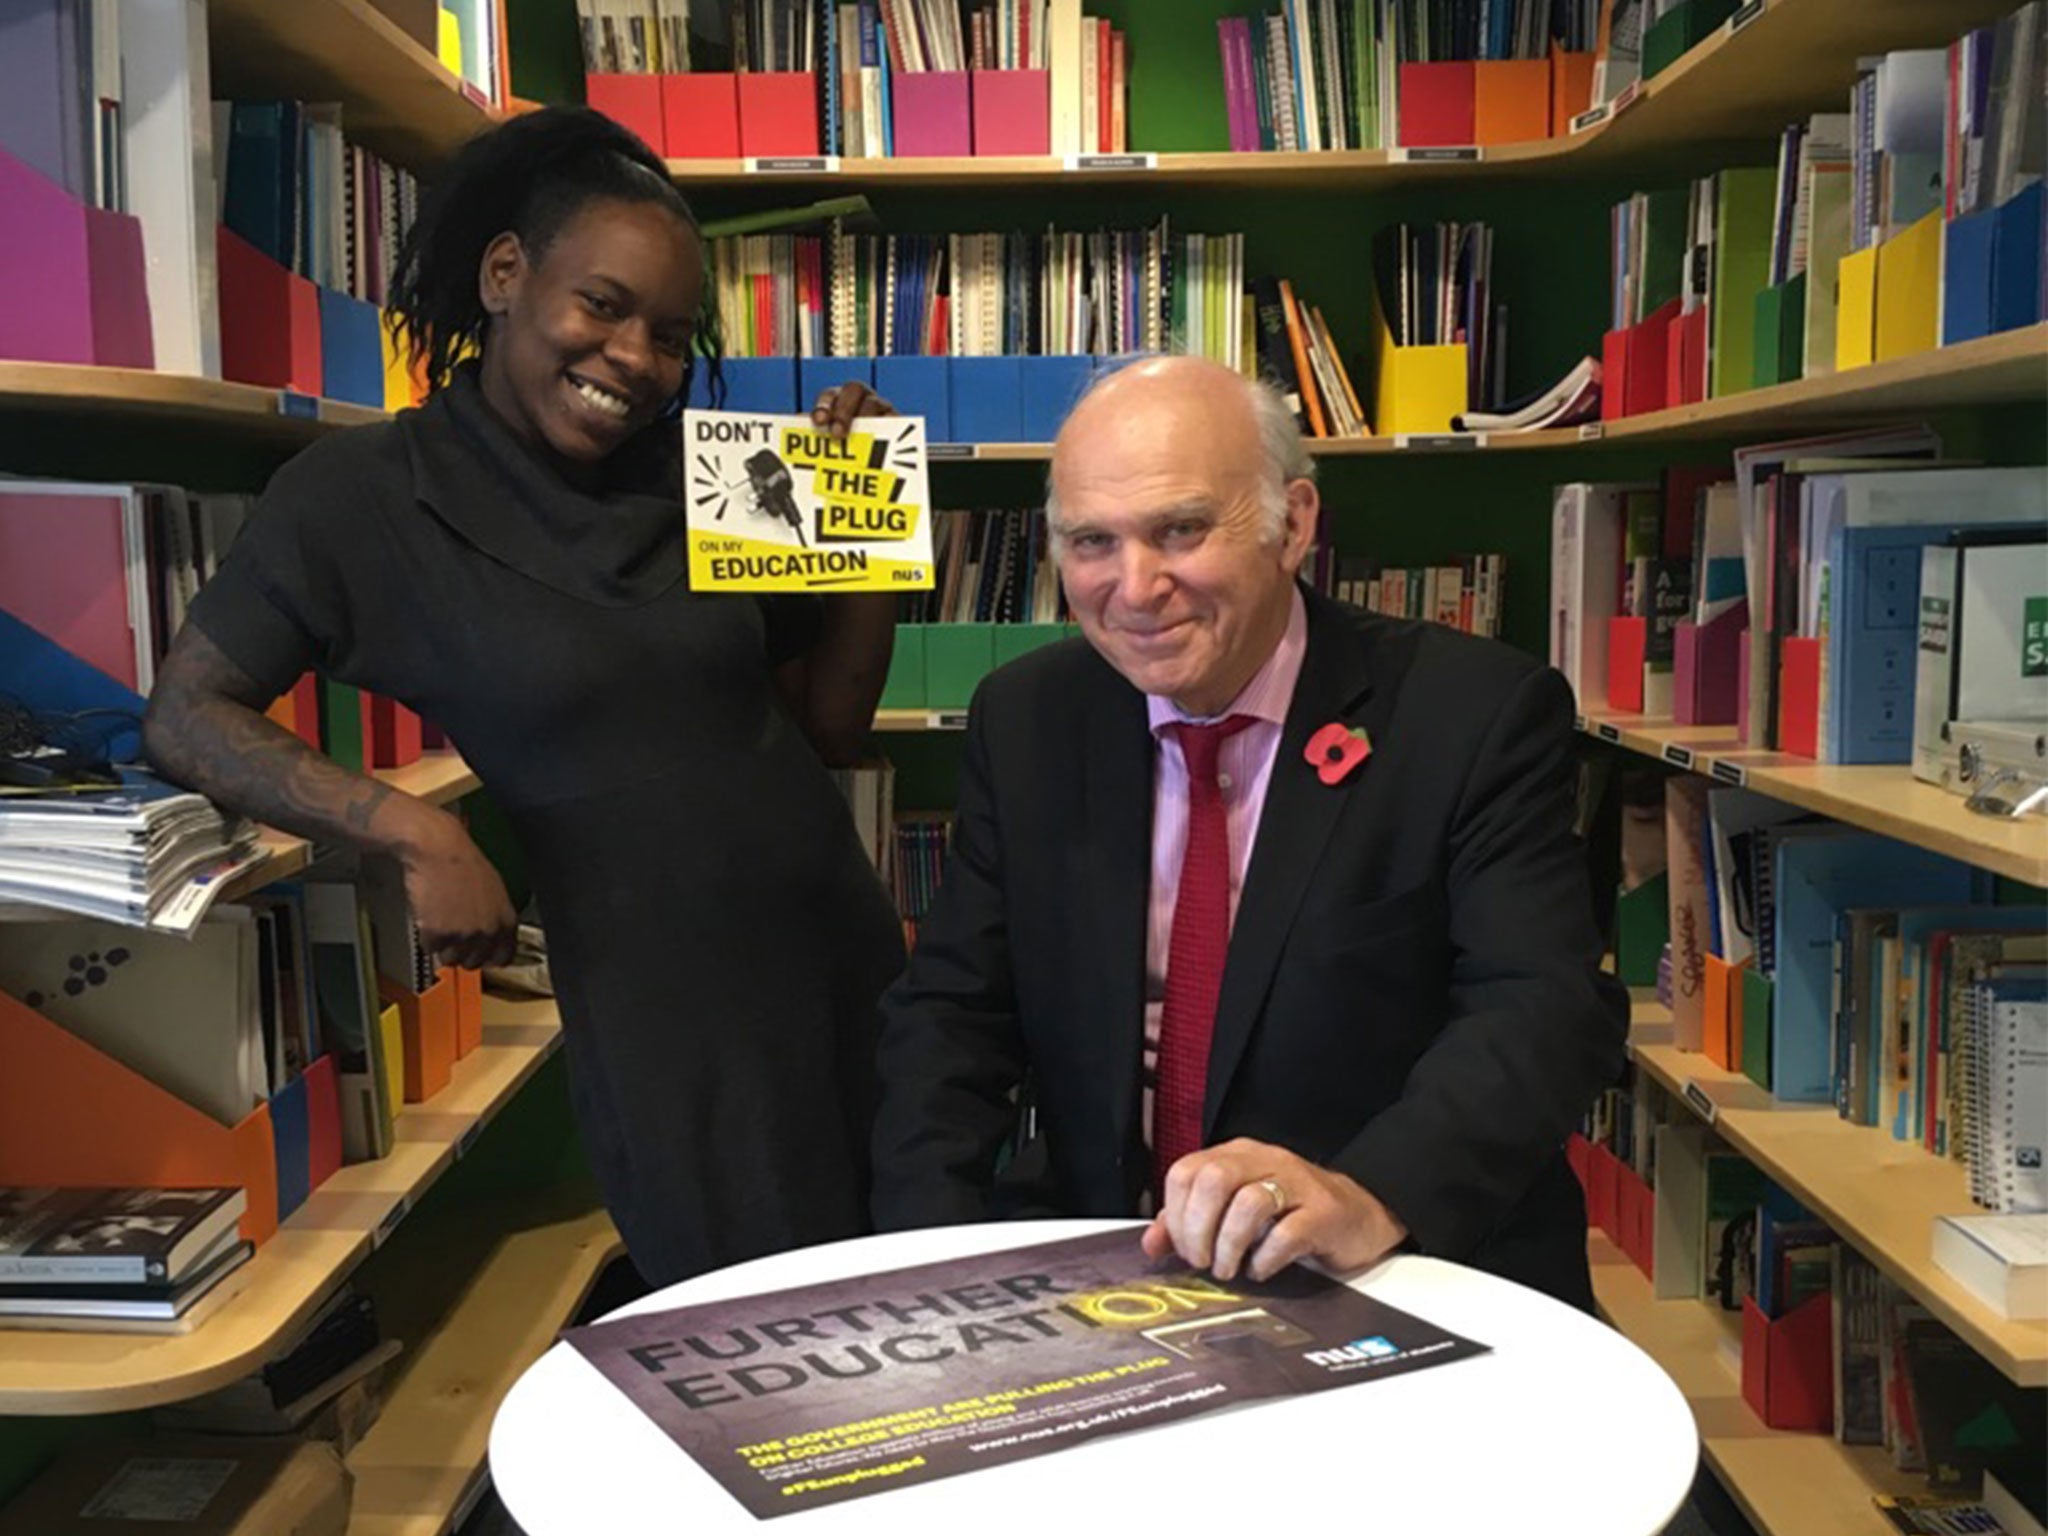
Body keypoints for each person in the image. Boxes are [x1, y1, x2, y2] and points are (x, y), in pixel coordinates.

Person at [144, 107, 905, 1287]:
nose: (636, 361)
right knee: (768, 1343)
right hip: (671, 1023)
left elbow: (828, 728)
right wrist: (410, 828)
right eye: (601, 306)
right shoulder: (363, 498)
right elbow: (187, 713)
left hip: (845, 960)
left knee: (920, 1311)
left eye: (668, 333)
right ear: (507, 274)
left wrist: (868, 508)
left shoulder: (706, 471)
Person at [870, 356, 1629, 1309]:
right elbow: (953, 1012)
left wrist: (1371, 1193)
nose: (1134, 586)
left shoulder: (1472, 714)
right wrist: (920, 1266)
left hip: (1387, 1264)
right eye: (1091, 542)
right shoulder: (1028, 719)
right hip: (1110, 1261)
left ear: (1294, 524)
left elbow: (1545, 1007)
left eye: (1180, 530)